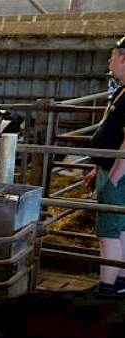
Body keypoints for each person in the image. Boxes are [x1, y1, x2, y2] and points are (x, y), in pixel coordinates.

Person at [83, 35, 125, 295]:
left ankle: (106, 289)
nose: (110, 61)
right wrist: (97, 167)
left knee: (108, 228)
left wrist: (115, 176)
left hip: (118, 173)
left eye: (113, 56)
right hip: (109, 168)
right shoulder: (121, 90)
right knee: (120, 226)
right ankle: (119, 282)